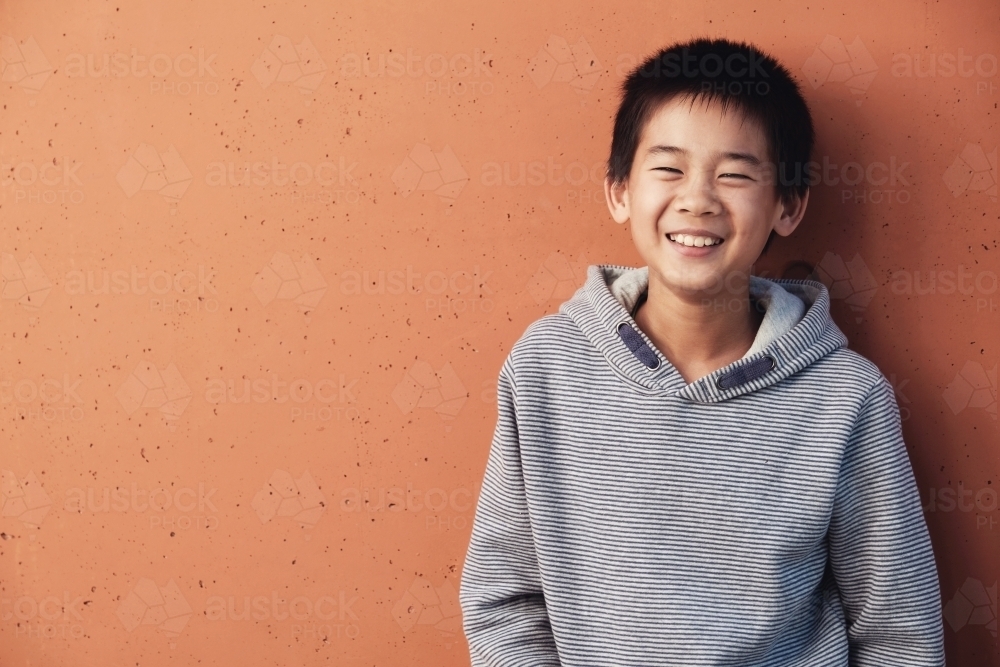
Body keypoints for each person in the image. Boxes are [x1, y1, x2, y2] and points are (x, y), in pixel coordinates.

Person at [458, 37, 945, 666]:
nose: (698, 198)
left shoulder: (846, 399)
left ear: (788, 206)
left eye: (736, 173)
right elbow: (505, 599)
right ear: (619, 191)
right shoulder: (548, 366)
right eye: (668, 167)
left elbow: (898, 629)